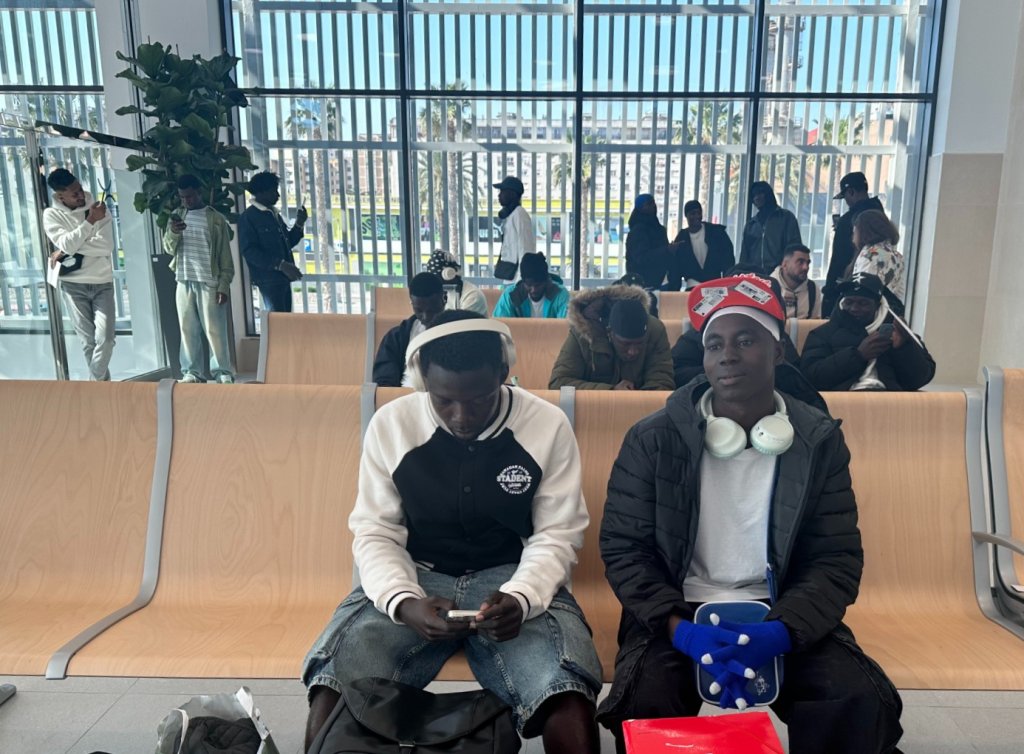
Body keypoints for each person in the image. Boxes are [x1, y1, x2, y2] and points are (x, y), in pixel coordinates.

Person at [596, 274, 904, 754]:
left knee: (855, 697)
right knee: (644, 698)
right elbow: (624, 549)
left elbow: (835, 558)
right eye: (714, 344)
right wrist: (682, 632)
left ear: (778, 351)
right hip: (679, 616)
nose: (728, 355)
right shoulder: (653, 439)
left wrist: (781, 631)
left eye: (746, 340)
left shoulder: (817, 440)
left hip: (782, 610)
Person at [302, 311, 602, 754]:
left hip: (513, 578)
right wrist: (404, 603)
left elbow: (557, 534)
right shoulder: (391, 425)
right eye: (443, 400)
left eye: (479, 398)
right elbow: (375, 531)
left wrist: (521, 596)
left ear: (504, 372)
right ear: (422, 378)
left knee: (567, 693)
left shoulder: (548, 425)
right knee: (333, 685)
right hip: (416, 577)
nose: (462, 416)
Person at [801, 273, 934, 392]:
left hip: (891, 404)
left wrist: (903, 347)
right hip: (842, 404)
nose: (854, 308)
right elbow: (811, 378)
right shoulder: (822, 334)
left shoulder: (898, 333)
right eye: (849, 302)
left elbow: (921, 379)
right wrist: (858, 355)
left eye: (863, 303)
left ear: (877, 305)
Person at [42, 168, 116, 381]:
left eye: (80, 189)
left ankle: (93, 385)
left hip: (102, 282)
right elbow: (65, 243)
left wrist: (69, 248)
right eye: (74, 193)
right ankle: (102, 388)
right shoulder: (52, 215)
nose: (80, 195)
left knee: (106, 339)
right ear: (60, 195)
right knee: (88, 343)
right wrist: (90, 222)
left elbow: (106, 246)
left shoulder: (98, 207)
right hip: (73, 286)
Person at [162, 175, 236, 384]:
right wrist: (174, 233)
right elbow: (168, 248)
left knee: (215, 330)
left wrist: (223, 285)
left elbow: (225, 258)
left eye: (191, 196)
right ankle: (192, 372)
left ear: (199, 192)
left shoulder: (215, 219)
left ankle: (222, 371)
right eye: (183, 197)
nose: (187, 200)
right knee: (187, 329)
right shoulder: (177, 216)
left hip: (209, 281)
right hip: (184, 279)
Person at [549, 284, 675, 391]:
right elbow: (558, 382)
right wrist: (611, 391)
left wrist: (635, 401)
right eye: (625, 344)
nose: (633, 351)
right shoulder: (583, 332)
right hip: (593, 410)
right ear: (610, 333)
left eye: (639, 343)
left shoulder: (655, 330)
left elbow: (662, 380)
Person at [237, 171, 306, 312]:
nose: (278, 195)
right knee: (277, 323)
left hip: (283, 278)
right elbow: (249, 251)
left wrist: (299, 224)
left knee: (284, 321)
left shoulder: (273, 214)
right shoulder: (249, 217)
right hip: (268, 279)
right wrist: (279, 265)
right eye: (273, 191)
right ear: (261, 193)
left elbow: (287, 243)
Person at [823, 171, 886, 316]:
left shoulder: (850, 220)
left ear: (850, 192)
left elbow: (839, 257)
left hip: (850, 286)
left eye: (845, 197)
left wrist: (830, 290)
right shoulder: (879, 214)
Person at [371, 272, 447, 387]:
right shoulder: (396, 337)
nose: (425, 316)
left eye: (432, 310)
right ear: (411, 303)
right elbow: (384, 383)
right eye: (419, 310)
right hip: (405, 398)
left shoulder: (460, 333)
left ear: (444, 299)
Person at [739, 181, 802, 274]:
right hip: (755, 277)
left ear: (768, 194)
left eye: (760, 193)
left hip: (781, 275)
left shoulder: (786, 218)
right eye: (754, 195)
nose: (757, 198)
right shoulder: (751, 225)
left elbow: (795, 248)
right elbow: (744, 256)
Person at [670, 199, 735, 287]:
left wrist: (728, 283)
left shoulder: (716, 232)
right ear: (686, 215)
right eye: (693, 213)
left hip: (715, 282)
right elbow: (676, 267)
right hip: (692, 284)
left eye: (699, 213)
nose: (697, 216)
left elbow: (728, 259)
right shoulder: (682, 238)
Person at [492, 252, 569, 318]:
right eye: (529, 285)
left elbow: (566, 327)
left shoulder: (560, 295)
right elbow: (500, 326)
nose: (534, 289)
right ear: (523, 281)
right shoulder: (510, 296)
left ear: (546, 281)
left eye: (538, 285)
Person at [851, 210, 905, 302]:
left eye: (854, 232)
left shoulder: (869, 255)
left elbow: (861, 290)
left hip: (870, 309)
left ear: (863, 232)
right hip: (891, 310)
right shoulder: (897, 256)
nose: (853, 239)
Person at [624, 194, 670, 290]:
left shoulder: (659, 229)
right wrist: (666, 250)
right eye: (649, 204)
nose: (653, 206)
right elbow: (641, 257)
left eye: (653, 202)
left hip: (659, 282)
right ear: (640, 208)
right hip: (641, 284)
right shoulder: (638, 231)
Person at [493, 176, 535, 280]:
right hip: (510, 277)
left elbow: (526, 248)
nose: (499, 195)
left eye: (502, 191)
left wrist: (522, 280)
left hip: (517, 279)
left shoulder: (519, 214)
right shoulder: (511, 215)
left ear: (512, 194)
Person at [424, 249, 489, 316]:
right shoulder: (445, 293)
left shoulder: (472, 296)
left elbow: (460, 324)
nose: (435, 284)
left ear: (449, 274)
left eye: (437, 278)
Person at [770, 243, 821, 319]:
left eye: (808, 263)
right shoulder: (768, 286)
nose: (805, 267)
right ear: (785, 264)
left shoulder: (813, 289)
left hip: (804, 330)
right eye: (800, 262)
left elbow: (815, 324)